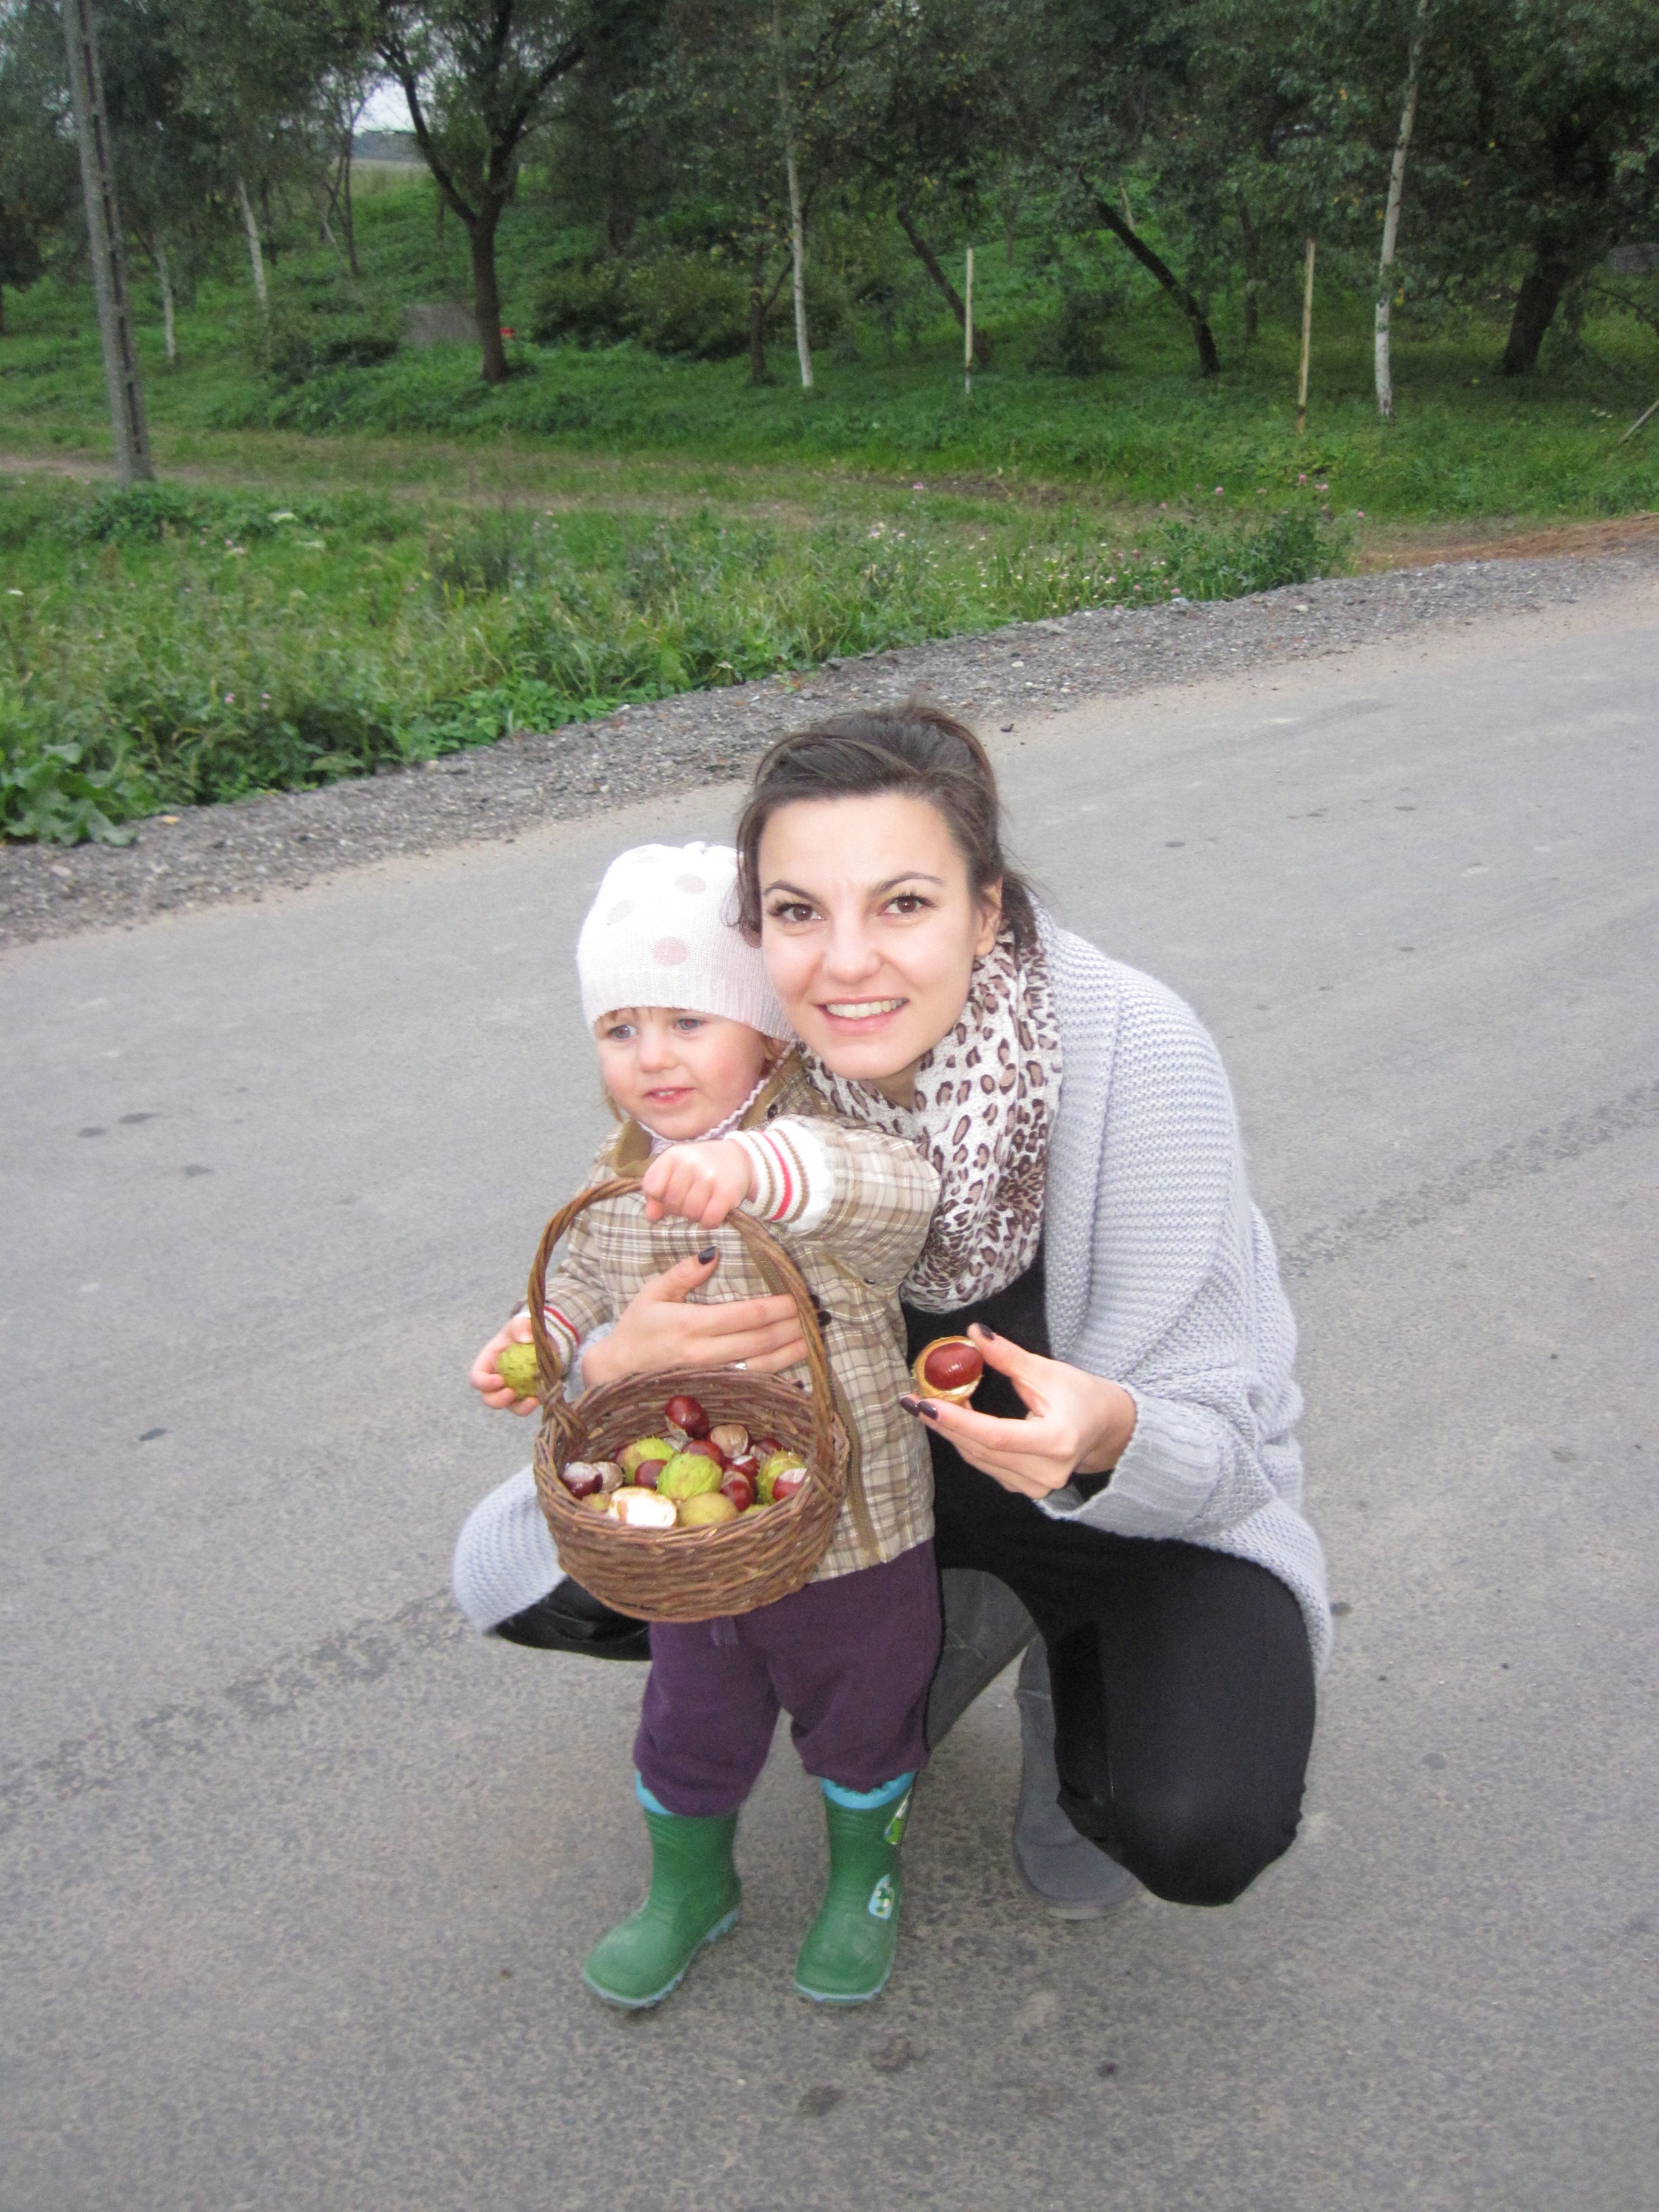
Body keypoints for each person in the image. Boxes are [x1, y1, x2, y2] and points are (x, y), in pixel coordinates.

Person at [456, 703, 1329, 1923]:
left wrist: (1112, 1431)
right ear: (752, 935)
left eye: (905, 904)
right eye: (800, 913)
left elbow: (1226, 1453)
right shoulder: (737, 1068)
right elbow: (594, 1279)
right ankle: (938, 1606)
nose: (847, 962)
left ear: (988, 913)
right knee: (562, 1579)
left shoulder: (1136, 1053)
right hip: (876, 1501)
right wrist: (607, 1362)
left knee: (1192, 1820)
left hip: (1117, 1511)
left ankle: (1057, 1653)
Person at [464, 841, 943, 2008]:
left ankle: (860, 1881)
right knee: (690, 1714)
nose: (651, 1057)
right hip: (697, 1546)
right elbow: (576, 1275)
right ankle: (689, 1885)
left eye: (686, 1021)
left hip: (855, 1526)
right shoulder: (622, 1169)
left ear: (768, 1035)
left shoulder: (820, 1138)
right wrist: (543, 1339)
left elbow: (895, 1195)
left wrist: (760, 1167)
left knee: (863, 1707)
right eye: (620, 1029)